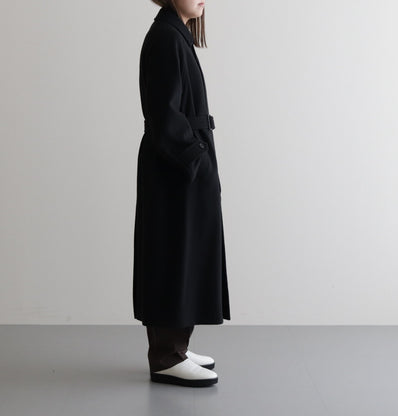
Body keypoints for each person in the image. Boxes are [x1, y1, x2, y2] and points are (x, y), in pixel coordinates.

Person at [132, 0, 231, 387]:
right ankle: (166, 356)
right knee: (171, 255)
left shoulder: (176, 36)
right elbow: (163, 113)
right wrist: (195, 157)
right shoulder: (164, 38)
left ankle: (177, 347)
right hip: (174, 168)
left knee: (185, 254)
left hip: (182, 167)